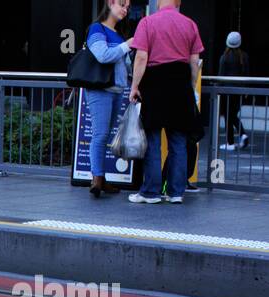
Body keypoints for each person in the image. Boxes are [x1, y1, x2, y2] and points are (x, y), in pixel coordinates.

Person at [128, 0, 203, 205]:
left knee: (152, 140)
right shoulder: (189, 24)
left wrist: (135, 87)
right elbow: (194, 62)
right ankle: (176, 192)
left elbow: (141, 57)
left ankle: (151, 192)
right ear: (178, 2)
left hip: (154, 84)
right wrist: (189, 86)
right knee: (178, 141)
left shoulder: (147, 22)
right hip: (180, 85)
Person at [85, 0, 133, 198]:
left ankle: (100, 177)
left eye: (127, 7)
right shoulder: (97, 29)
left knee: (104, 135)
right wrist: (127, 45)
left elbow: (124, 65)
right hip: (100, 88)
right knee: (100, 134)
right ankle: (97, 178)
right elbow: (102, 55)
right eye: (122, 4)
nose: (125, 10)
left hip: (116, 89)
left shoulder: (117, 33)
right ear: (110, 3)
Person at [218, 32, 249, 151]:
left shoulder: (224, 57)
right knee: (232, 115)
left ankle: (230, 142)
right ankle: (242, 134)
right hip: (239, 91)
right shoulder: (244, 56)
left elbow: (220, 75)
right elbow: (247, 74)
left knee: (228, 116)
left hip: (226, 91)